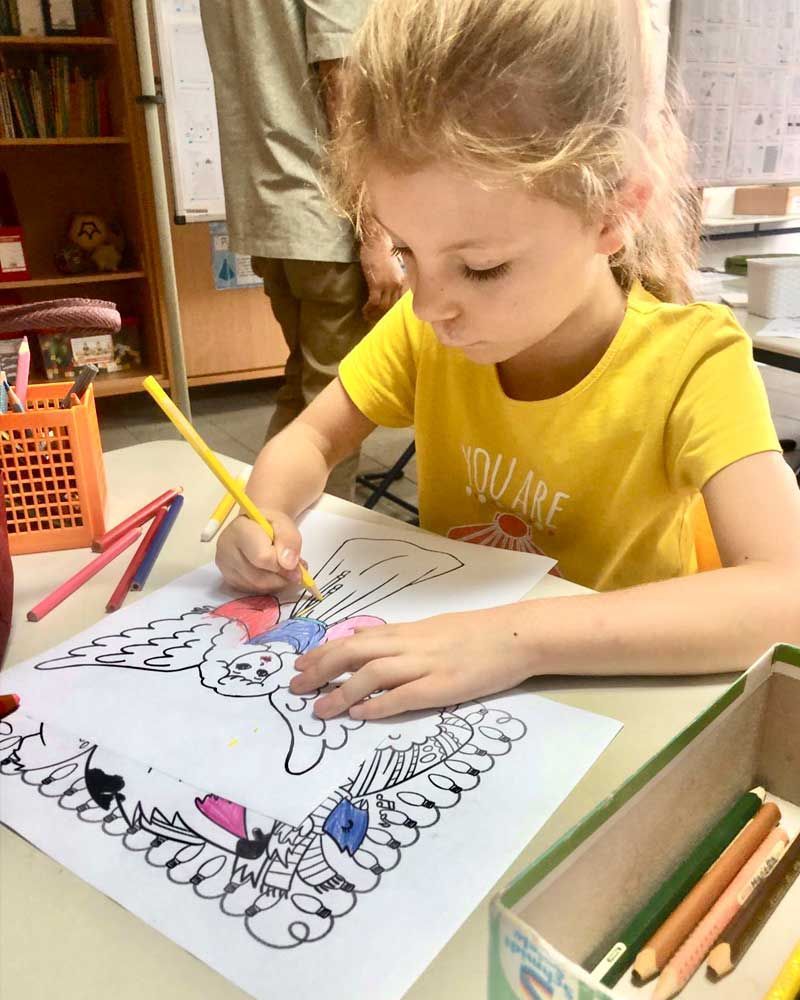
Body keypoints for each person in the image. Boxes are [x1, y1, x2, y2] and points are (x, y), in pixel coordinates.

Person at [216, 0, 800, 721]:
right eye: (405, 251)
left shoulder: (693, 363)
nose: (428, 306)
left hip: (613, 708)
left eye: (482, 267)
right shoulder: (424, 331)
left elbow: (785, 595)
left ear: (613, 213)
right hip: (453, 694)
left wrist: (515, 641)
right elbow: (310, 438)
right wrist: (266, 510)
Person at [199, 0, 404, 498]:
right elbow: (343, 85)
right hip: (328, 218)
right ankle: (306, 541)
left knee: (304, 392)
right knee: (335, 415)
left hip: (271, 210)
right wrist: (375, 231)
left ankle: (261, 523)